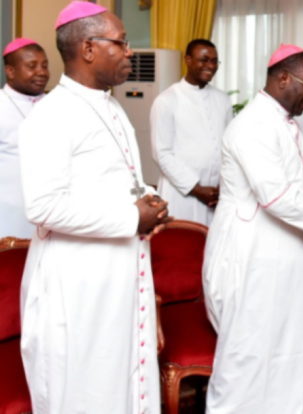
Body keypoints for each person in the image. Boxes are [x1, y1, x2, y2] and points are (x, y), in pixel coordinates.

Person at [19, 3, 171, 412]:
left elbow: (113, 180)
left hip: (118, 271)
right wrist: (131, 217)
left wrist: (149, 203)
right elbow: (44, 206)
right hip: (77, 283)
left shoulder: (112, 106)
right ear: (88, 48)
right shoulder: (51, 115)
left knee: (120, 381)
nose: (129, 52)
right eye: (121, 43)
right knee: (86, 389)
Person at [202, 44, 303, 414]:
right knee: (246, 355)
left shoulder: (284, 123)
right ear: (282, 79)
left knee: (283, 348)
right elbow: (275, 194)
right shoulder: (252, 124)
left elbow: (302, 181)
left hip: (278, 255)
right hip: (249, 256)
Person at [151, 39, 232, 226]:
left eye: (214, 61)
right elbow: (161, 154)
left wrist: (224, 186)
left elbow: (229, 147)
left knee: (213, 249)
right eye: (204, 60)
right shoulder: (167, 100)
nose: (210, 66)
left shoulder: (223, 99)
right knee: (182, 249)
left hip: (216, 195)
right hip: (181, 194)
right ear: (188, 60)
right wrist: (196, 189)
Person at [0, 38, 49, 239]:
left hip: (51, 211)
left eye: (44, 65)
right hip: (9, 211)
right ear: (10, 71)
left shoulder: (56, 105)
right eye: (32, 66)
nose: (41, 72)